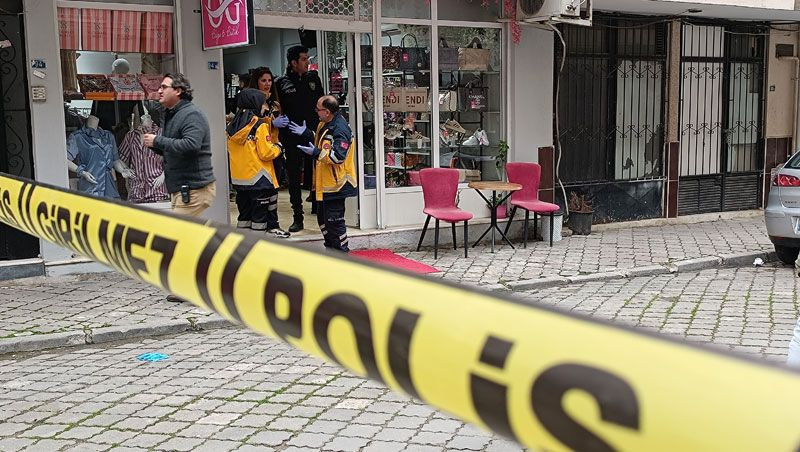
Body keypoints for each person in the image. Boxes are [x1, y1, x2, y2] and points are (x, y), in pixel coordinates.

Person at [289, 95, 357, 252]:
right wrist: (306, 133)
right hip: (324, 184)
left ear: (327, 111)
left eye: (318, 109)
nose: (316, 112)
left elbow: (338, 156)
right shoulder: (325, 124)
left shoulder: (340, 129)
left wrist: (315, 152)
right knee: (323, 221)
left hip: (337, 185)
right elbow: (320, 140)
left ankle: (341, 255)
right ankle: (331, 251)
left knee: (335, 222)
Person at [143, 73, 215, 219]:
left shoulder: (191, 115)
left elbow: (191, 145)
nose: (159, 91)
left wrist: (158, 141)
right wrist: (154, 145)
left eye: (164, 87)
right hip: (183, 190)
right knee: (188, 236)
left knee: (176, 234)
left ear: (178, 90)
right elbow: (175, 150)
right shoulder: (173, 114)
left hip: (193, 190)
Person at [226, 88, 290, 238]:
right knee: (259, 221)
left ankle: (241, 246)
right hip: (259, 179)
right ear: (255, 104)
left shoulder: (232, 127)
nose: (266, 107)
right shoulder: (258, 125)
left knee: (244, 217)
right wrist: (279, 147)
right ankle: (257, 248)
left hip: (240, 180)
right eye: (263, 104)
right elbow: (266, 152)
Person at [275, 45, 324, 233]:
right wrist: (277, 122)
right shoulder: (282, 83)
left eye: (307, 58)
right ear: (293, 62)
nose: (307, 62)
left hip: (312, 133)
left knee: (318, 172)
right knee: (294, 177)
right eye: (303, 59)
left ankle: (318, 209)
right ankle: (298, 216)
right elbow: (277, 106)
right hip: (291, 135)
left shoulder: (313, 78)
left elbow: (322, 102)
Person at [248, 67, 290, 186]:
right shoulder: (252, 104)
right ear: (256, 82)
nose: (267, 84)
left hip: (275, 147)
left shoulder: (275, 103)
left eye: (270, 80)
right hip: (259, 148)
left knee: (274, 185)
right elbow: (250, 125)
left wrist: (284, 122)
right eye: (263, 80)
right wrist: (271, 123)